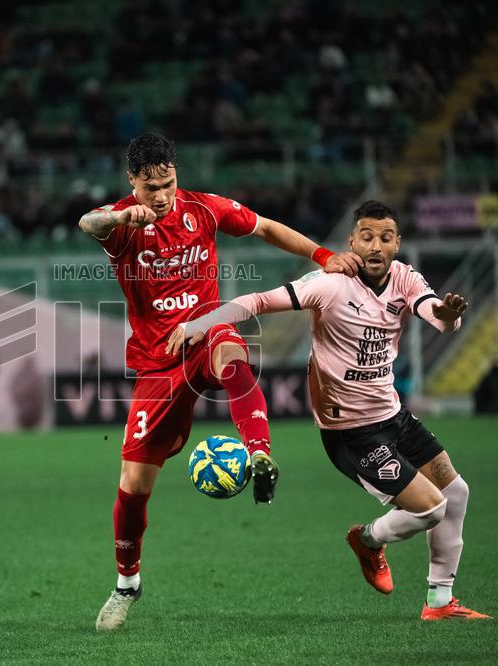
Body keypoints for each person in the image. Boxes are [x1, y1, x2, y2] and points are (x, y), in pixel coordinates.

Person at [81, 133, 362, 631]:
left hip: (206, 329)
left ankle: (259, 451)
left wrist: (322, 257)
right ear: (132, 183)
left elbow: (267, 227)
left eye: (168, 183)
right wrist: (123, 216)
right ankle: (127, 585)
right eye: (151, 188)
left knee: (232, 351)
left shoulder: (204, 209)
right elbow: (89, 222)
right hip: (157, 361)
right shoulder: (123, 223)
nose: (162, 196)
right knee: (132, 485)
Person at [168, 200, 491, 621]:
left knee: (456, 492)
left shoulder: (406, 279)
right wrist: (198, 324)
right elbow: (257, 302)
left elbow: (436, 314)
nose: (376, 246)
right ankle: (368, 540)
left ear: (397, 244)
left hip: (393, 416)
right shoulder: (329, 284)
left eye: (386, 237)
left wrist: (448, 314)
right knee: (431, 508)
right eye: (368, 236)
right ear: (352, 241)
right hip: (351, 433)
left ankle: (440, 602)